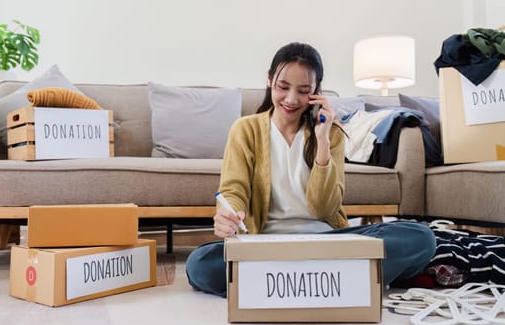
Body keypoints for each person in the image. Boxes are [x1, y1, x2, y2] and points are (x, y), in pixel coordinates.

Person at [185, 42, 436, 297]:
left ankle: (280, 283)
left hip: (327, 243)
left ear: (316, 91)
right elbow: (233, 189)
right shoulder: (245, 129)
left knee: (421, 237)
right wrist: (229, 217)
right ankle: (337, 281)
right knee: (199, 264)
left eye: (303, 90)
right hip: (266, 244)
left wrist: (323, 142)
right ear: (270, 80)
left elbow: (324, 209)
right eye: (283, 87)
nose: (292, 99)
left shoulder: (332, 135)